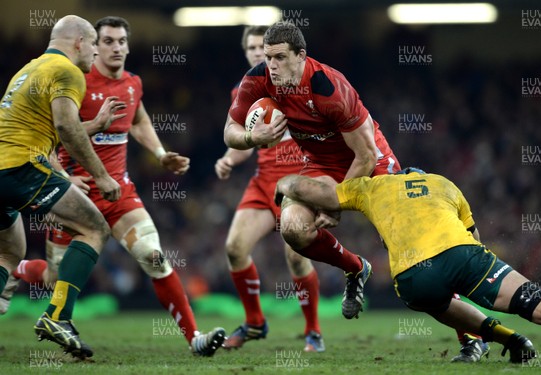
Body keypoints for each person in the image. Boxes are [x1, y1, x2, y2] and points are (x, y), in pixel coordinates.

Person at [223, 21, 487, 361]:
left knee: (415, 255)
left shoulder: (328, 87)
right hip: (321, 165)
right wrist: (251, 139)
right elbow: (230, 130)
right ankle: (355, 268)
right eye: (267, 58)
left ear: (301, 56)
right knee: (292, 228)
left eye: (279, 58)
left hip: (372, 163)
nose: (271, 66)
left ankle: (472, 336)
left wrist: (336, 204)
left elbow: (363, 155)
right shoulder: (257, 80)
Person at [2, 16, 225, 357]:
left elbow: (139, 119)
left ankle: (194, 337)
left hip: (120, 194)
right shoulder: (74, 76)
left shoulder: (132, 84)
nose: (113, 47)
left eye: (121, 41)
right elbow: (56, 130)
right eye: (104, 41)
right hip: (73, 188)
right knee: (53, 278)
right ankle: (22, 274)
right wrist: (63, 174)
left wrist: (160, 153)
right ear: (88, 43)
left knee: (154, 257)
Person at [274, 168, 541, 362]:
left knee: (438, 301)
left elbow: (308, 189)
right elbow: (475, 236)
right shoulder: (445, 184)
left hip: (412, 277)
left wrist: (282, 185)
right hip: (462, 255)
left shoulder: (373, 186)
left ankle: (511, 341)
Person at [0, 15, 122, 359]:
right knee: (95, 228)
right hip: (21, 167)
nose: (97, 53)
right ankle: (58, 317)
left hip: (3, 166)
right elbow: (64, 127)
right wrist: (101, 175)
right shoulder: (67, 71)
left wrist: (94, 124)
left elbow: (47, 125)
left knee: (9, 252)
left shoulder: (30, 69)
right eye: (96, 45)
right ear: (80, 42)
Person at [215, 26, 324, 352]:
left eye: (263, 50)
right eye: (251, 48)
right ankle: (255, 323)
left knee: (296, 255)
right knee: (234, 247)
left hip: (299, 180)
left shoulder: (301, 84)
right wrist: (228, 159)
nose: (257, 54)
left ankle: (313, 331)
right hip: (264, 181)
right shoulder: (245, 91)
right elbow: (244, 142)